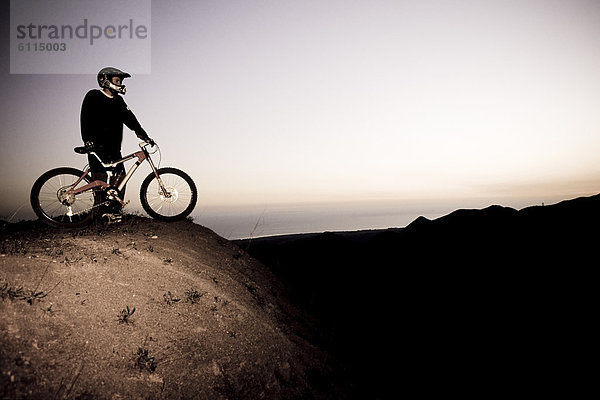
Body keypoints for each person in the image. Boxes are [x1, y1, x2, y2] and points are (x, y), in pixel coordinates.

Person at [80, 67, 153, 217]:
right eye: (117, 80)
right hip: (96, 147)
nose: (120, 84)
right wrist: (87, 140)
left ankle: (113, 213)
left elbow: (131, 119)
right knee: (100, 183)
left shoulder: (119, 101)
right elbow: (85, 118)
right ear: (105, 80)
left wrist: (143, 135)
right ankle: (97, 214)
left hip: (114, 148)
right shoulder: (93, 96)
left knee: (119, 180)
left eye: (121, 81)